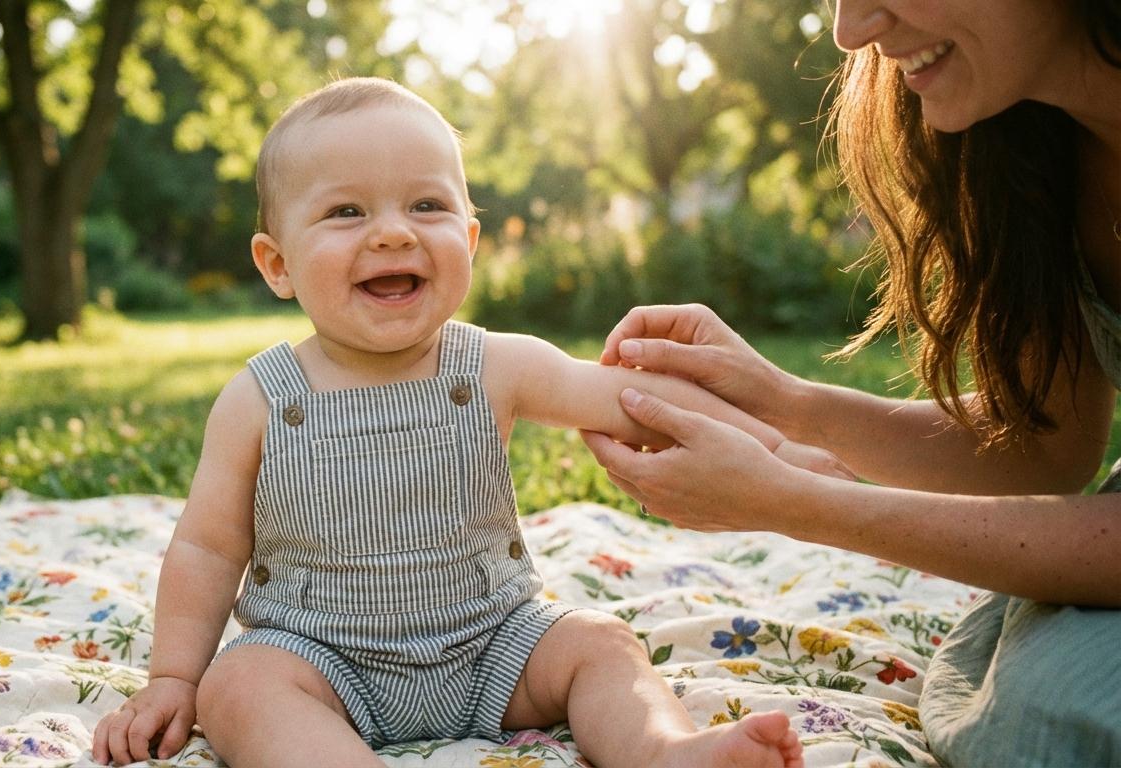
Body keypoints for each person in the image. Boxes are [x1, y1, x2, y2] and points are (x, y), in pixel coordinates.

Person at [90, 77, 821, 767]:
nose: (392, 234)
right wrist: (174, 679)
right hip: (318, 658)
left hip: (495, 644)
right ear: (277, 264)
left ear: (468, 242)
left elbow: (633, 401)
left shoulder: (494, 366)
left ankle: (662, 751)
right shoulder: (261, 398)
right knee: (237, 689)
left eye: (426, 206)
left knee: (599, 643)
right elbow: (208, 549)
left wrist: (776, 447)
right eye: (347, 212)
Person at [583, 1, 1121, 765]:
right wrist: (786, 403)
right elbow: (1043, 444)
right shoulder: (1042, 148)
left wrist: (792, 501)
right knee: (1028, 691)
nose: (851, 28)